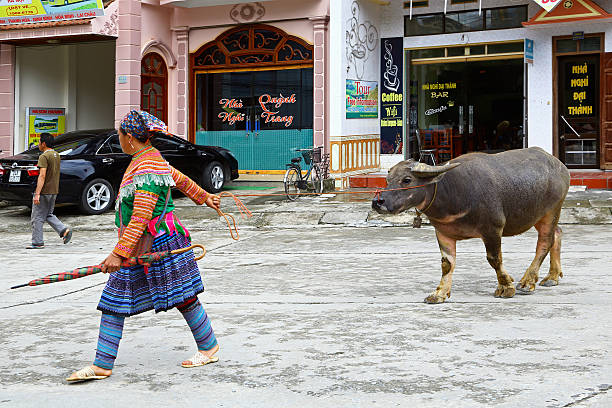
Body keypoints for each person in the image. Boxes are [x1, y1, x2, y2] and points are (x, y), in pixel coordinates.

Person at [67, 110, 221, 382]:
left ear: (129, 137)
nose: (118, 137)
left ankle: (209, 348)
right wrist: (205, 197)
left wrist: (118, 254)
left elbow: (141, 215)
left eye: (120, 134)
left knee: (183, 297)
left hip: (157, 241)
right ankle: (103, 363)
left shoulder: (147, 165)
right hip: (146, 242)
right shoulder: (148, 158)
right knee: (117, 300)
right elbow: (179, 178)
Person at [28, 132, 72, 249]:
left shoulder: (43, 156)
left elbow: (42, 176)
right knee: (48, 214)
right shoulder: (56, 155)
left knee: (37, 217)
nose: (38, 144)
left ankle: (37, 242)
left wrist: (37, 193)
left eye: (39, 142)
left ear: (43, 143)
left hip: (44, 191)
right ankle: (63, 230)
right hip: (54, 191)